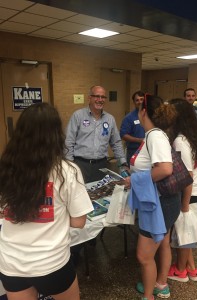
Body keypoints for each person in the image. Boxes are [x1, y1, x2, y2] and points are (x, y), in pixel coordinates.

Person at [0, 103, 94, 300]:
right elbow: (79, 221)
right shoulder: (67, 171)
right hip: (51, 263)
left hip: (11, 263)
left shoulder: (6, 168)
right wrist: (53, 215)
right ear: (56, 134)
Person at [125, 94, 181, 300]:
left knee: (144, 255)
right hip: (164, 201)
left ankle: (148, 296)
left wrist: (135, 180)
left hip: (158, 204)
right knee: (164, 243)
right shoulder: (155, 134)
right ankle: (161, 285)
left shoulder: (154, 135)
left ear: (144, 112)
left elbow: (165, 169)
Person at [167, 98, 197, 283]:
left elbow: (187, 176)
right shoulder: (195, 136)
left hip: (189, 194)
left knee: (183, 236)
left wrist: (184, 204)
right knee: (188, 232)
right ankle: (191, 269)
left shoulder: (180, 141)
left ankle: (181, 271)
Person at [65, 85, 127, 183]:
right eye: (97, 96)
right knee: (81, 194)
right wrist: (69, 164)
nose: (100, 99)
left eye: (103, 97)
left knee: (99, 194)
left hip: (101, 165)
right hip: (81, 164)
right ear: (89, 98)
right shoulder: (78, 115)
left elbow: (116, 143)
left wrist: (122, 163)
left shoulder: (109, 119)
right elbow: (69, 140)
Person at [120, 90, 145, 165]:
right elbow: (123, 135)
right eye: (137, 100)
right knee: (133, 174)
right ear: (134, 102)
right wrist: (139, 140)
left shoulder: (150, 116)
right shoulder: (129, 118)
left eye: (142, 99)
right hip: (134, 151)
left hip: (148, 151)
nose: (140, 102)